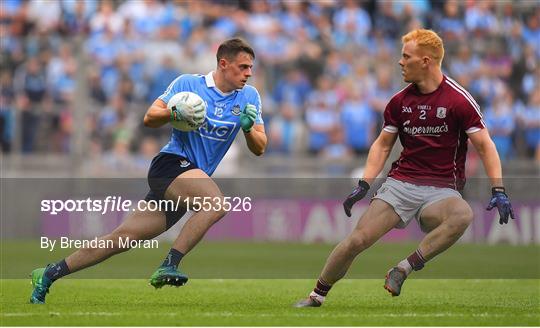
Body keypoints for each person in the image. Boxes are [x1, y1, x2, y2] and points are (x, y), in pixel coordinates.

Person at [30, 38, 267, 304]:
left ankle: (49, 273)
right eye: (243, 67)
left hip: (191, 179)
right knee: (215, 204)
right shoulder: (188, 84)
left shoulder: (249, 96)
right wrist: (174, 112)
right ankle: (169, 264)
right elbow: (149, 117)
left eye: (250, 68)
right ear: (224, 63)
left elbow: (259, 147)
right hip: (169, 164)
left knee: (121, 239)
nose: (249, 73)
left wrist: (247, 128)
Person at [295, 29, 515, 307]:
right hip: (401, 184)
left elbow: (486, 146)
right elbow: (382, 145)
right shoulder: (399, 102)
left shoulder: (459, 100)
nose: (400, 62)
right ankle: (316, 296)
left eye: (406, 56)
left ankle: (403, 268)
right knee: (356, 241)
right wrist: (364, 184)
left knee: (463, 215)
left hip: (441, 191)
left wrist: (499, 189)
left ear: (426, 61)